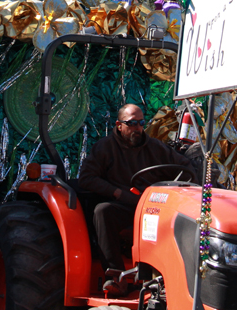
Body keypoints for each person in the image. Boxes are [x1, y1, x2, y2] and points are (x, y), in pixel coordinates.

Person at [78, 103, 194, 296]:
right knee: (103, 211)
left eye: (141, 123)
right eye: (132, 123)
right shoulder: (105, 148)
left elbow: (185, 168)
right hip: (124, 206)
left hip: (154, 207)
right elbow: (86, 178)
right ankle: (116, 278)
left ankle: (177, 281)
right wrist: (118, 193)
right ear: (119, 125)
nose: (138, 128)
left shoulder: (156, 148)